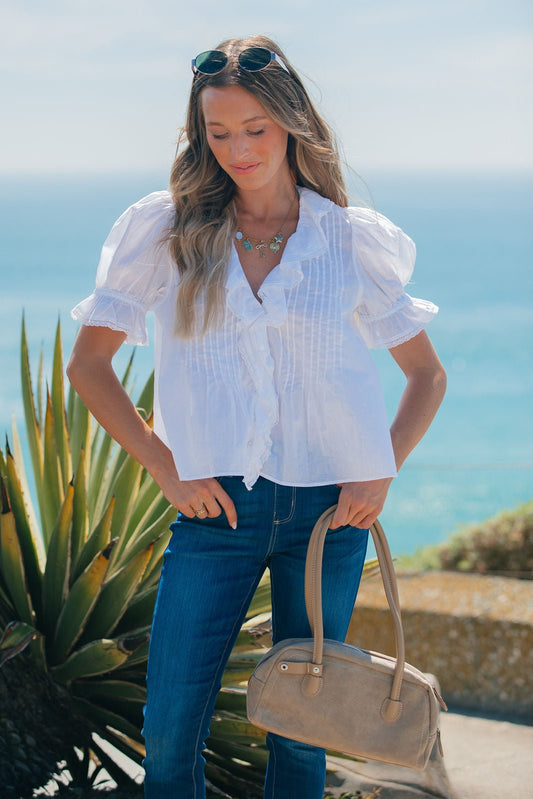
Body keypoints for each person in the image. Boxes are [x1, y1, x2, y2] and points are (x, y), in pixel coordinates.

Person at [67, 34, 446, 799]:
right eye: (218, 132)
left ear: (290, 124)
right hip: (215, 514)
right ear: (199, 136)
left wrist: (382, 467)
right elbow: (88, 366)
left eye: (254, 130)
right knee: (172, 732)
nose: (237, 149)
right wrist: (164, 465)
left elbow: (425, 376)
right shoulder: (167, 232)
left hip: (325, 520)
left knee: (304, 739)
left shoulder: (346, 240)